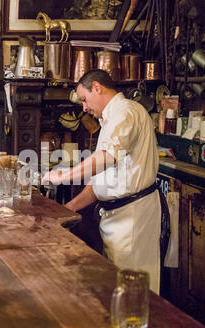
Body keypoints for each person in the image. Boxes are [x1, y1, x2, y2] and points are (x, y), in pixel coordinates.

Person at [42, 69, 161, 294]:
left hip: (132, 218)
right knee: (118, 288)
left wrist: (63, 176)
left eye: (85, 99)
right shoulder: (110, 119)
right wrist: (69, 209)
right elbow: (100, 183)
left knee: (134, 289)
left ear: (97, 87)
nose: (84, 108)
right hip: (115, 218)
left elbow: (105, 158)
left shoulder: (126, 112)